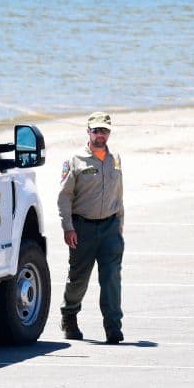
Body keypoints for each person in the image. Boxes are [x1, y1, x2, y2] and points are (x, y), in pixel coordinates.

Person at [57, 111, 125, 344]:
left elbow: (119, 194)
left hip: (109, 229)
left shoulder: (115, 158)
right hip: (82, 229)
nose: (100, 136)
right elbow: (64, 197)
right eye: (96, 131)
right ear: (88, 132)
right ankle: (69, 316)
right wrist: (68, 228)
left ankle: (113, 328)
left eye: (104, 131)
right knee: (78, 279)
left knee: (112, 280)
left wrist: (120, 225)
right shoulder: (75, 160)